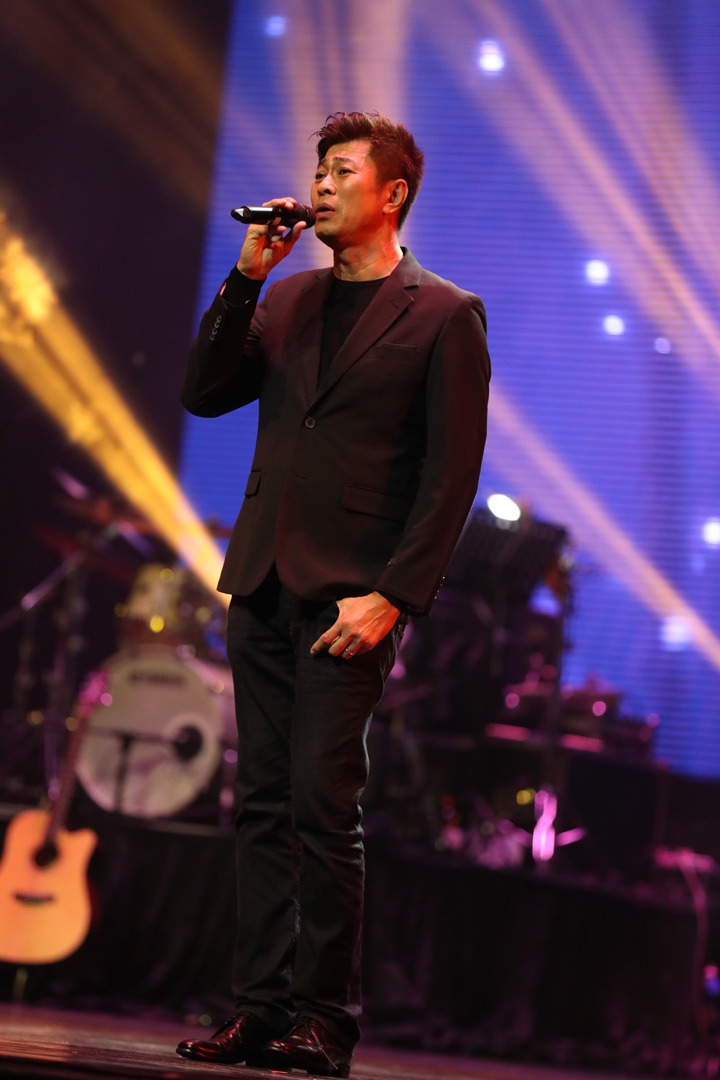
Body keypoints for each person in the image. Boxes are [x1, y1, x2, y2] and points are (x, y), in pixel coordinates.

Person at [176, 111, 490, 1078]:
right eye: (318, 169)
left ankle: (324, 1018)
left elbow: (450, 477)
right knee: (261, 803)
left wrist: (392, 597)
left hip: (352, 599)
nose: (319, 184)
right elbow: (203, 391)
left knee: (323, 802)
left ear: (391, 194)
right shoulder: (290, 296)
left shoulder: (444, 313)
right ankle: (259, 1009)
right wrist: (245, 278)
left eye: (341, 170)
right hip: (262, 577)